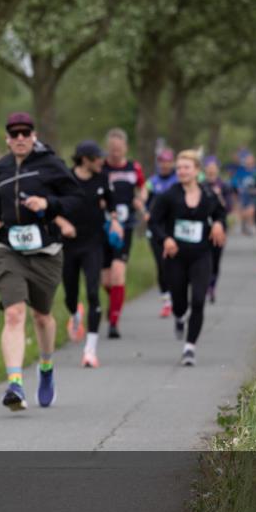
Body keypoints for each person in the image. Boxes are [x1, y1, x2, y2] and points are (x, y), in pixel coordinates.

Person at [0, 112, 84, 410]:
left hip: (46, 252)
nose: (19, 138)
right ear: (7, 138)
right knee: (14, 314)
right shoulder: (1, 167)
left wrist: (48, 204)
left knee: (42, 316)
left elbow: (77, 199)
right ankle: (15, 383)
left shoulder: (51, 165)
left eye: (24, 133)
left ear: (33, 135)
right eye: (13, 134)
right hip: (9, 250)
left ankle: (45, 366)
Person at [148, 150, 227, 366]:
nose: (182, 171)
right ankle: (179, 316)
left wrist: (219, 223)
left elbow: (220, 212)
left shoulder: (208, 194)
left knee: (199, 300)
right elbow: (153, 222)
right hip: (175, 256)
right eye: (179, 167)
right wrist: (165, 239)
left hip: (201, 255)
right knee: (180, 303)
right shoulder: (169, 196)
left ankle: (190, 347)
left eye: (186, 167)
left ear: (197, 171)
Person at [58, 141, 122, 368]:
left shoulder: (102, 178)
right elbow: (53, 207)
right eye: (97, 158)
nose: (102, 162)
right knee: (70, 295)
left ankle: (90, 350)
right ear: (84, 159)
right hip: (68, 244)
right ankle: (75, 314)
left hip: (94, 244)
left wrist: (114, 221)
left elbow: (112, 203)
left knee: (94, 292)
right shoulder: (65, 178)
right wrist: (62, 223)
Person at [100, 128, 146, 339]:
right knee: (106, 280)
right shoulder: (100, 167)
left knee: (118, 273)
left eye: (119, 149)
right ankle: (115, 302)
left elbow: (142, 187)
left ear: (125, 148)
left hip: (125, 227)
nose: (115, 153)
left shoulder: (133, 168)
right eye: (112, 149)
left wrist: (140, 200)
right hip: (103, 227)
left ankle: (114, 322)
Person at [143, 148, 178, 318]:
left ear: (172, 163)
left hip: (174, 229)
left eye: (167, 161)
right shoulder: (152, 182)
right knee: (161, 265)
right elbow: (144, 202)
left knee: (176, 265)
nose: (164, 164)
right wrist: (146, 213)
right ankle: (166, 300)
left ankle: (178, 295)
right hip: (156, 229)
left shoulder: (178, 180)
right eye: (161, 161)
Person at [203, 156, 235, 303]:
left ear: (217, 169)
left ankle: (212, 286)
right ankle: (202, 285)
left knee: (215, 260)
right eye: (208, 167)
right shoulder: (199, 185)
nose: (211, 170)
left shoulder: (225, 186)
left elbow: (228, 208)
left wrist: (218, 195)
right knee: (203, 258)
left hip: (219, 228)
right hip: (202, 228)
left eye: (213, 167)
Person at [232, 151, 256, 235]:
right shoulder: (241, 171)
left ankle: (249, 227)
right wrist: (238, 187)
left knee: (251, 210)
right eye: (247, 160)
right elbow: (234, 180)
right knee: (244, 211)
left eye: (250, 160)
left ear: (253, 161)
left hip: (253, 195)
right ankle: (244, 226)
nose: (248, 162)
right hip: (243, 195)